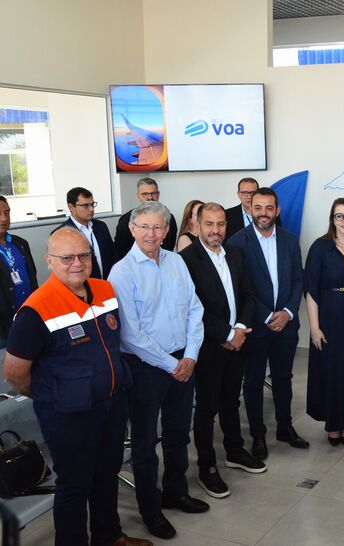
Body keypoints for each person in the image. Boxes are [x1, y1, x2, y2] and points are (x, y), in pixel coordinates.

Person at [2, 228, 151, 546]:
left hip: (110, 404)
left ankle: (109, 536)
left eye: (84, 255)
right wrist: (50, 394)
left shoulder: (104, 289)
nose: (77, 263)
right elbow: (15, 373)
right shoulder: (36, 309)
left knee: (106, 474)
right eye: (66, 257)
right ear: (49, 261)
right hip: (68, 414)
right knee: (74, 486)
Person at [108, 201, 206, 540]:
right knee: (146, 444)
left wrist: (190, 355)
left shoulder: (177, 261)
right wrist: (172, 363)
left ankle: (176, 492)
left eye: (158, 227)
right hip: (146, 367)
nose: (152, 233)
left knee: (179, 433)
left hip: (183, 360)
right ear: (133, 230)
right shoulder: (121, 272)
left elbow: (195, 308)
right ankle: (151, 511)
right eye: (145, 227)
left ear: (167, 231)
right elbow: (130, 333)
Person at [180, 203, 265, 499]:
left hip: (238, 342)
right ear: (197, 225)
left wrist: (239, 329)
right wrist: (227, 334)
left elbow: (248, 295)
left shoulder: (236, 253)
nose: (215, 230)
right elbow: (193, 309)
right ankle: (207, 468)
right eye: (209, 225)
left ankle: (234, 451)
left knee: (231, 400)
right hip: (208, 347)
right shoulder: (186, 260)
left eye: (220, 224)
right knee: (206, 409)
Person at [227, 187, 308, 459]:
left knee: (284, 378)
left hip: (286, 324)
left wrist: (287, 312)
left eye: (269, 208)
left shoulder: (289, 239)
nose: (263, 213)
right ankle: (258, 435)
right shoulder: (237, 242)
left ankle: (285, 427)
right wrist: (266, 315)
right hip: (256, 325)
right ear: (250, 209)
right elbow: (240, 287)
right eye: (258, 208)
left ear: (277, 210)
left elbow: (299, 279)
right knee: (253, 381)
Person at [304, 198, 344, 445]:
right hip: (328, 316)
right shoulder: (319, 248)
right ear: (332, 219)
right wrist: (314, 327)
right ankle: (334, 425)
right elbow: (311, 290)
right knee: (331, 371)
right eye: (339, 216)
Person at [54, 187, 115, 279]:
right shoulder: (61, 233)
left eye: (92, 204)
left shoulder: (101, 226)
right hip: (81, 287)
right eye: (86, 205)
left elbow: (113, 256)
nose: (91, 209)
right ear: (71, 207)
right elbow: (62, 269)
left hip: (107, 284)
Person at [0, 196, 37, 348]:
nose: (4, 218)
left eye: (7, 212)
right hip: (3, 329)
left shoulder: (20, 243)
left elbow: (32, 278)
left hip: (29, 320)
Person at [113, 178, 177, 261]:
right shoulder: (126, 220)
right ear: (138, 196)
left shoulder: (169, 218)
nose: (150, 197)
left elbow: (169, 247)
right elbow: (120, 251)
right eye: (145, 194)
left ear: (158, 194)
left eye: (153, 193)